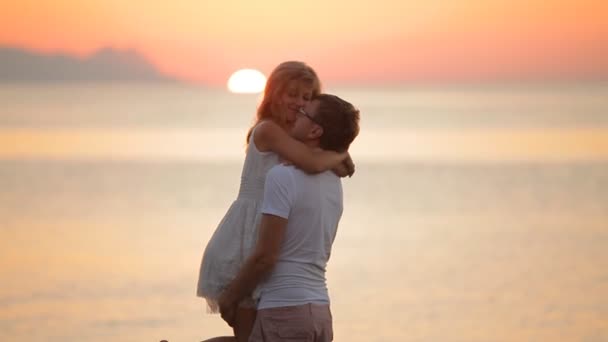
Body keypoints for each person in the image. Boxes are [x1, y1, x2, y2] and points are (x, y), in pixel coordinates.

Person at [197, 62, 354, 342]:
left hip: (271, 234)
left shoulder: (298, 138)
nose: (298, 103)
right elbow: (315, 163)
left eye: (306, 98)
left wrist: (338, 156)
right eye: (291, 94)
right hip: (247, 239)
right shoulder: (268, 130)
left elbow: (331, 166)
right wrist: (340, 155)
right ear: (272, 94)